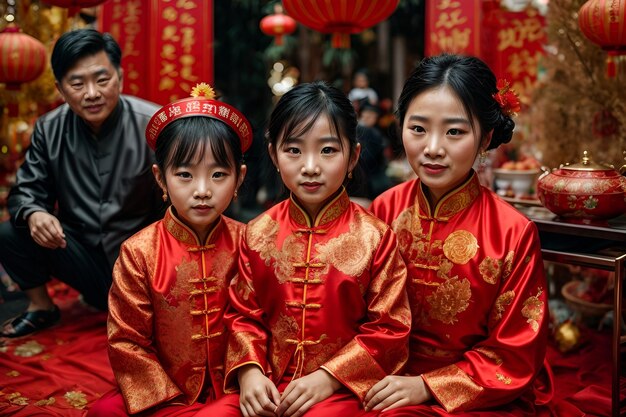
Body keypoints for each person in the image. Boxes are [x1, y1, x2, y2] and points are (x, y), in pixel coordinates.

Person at [196, 81, 411, 417]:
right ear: (274, 155)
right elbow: (242, 316)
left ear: (352, 156)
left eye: (327, 150)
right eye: (294, 150)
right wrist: (250, 373)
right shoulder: (257, 233)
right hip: (268, 383)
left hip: (342, 389)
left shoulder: (376, 237)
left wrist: (328, 378)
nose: (310, 166)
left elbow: (389, 329)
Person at [364, 54, 553, 416]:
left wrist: (426, 386)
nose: (432, 148)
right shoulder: (384, 209)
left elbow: (514, 354)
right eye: (418, 129)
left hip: (475, 396)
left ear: (486, 137)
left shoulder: (512, 232)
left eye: (454, 132)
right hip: (385, 381)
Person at [87, 83, 251, 416]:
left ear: (240, 178)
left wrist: (248, 377)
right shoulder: (139, 252)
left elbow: (263, 326)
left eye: (218, 174)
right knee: (105, 411)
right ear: (161, 179)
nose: (202, 190)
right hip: (164, 390)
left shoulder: (251, 243)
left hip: (235, 387)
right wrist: (164, 399)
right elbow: (127, 341)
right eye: (185, 175)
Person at [0, 28, 164, 338]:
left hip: (144, 264)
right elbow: (25, 192)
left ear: (120, 77)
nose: (91, 93)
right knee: (11, 230)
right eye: (77, 84)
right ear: (60, 89)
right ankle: (41, 308)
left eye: (102, 80)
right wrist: (36, 213)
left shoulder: (153, 125)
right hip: (81, 257)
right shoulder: (49, 130)